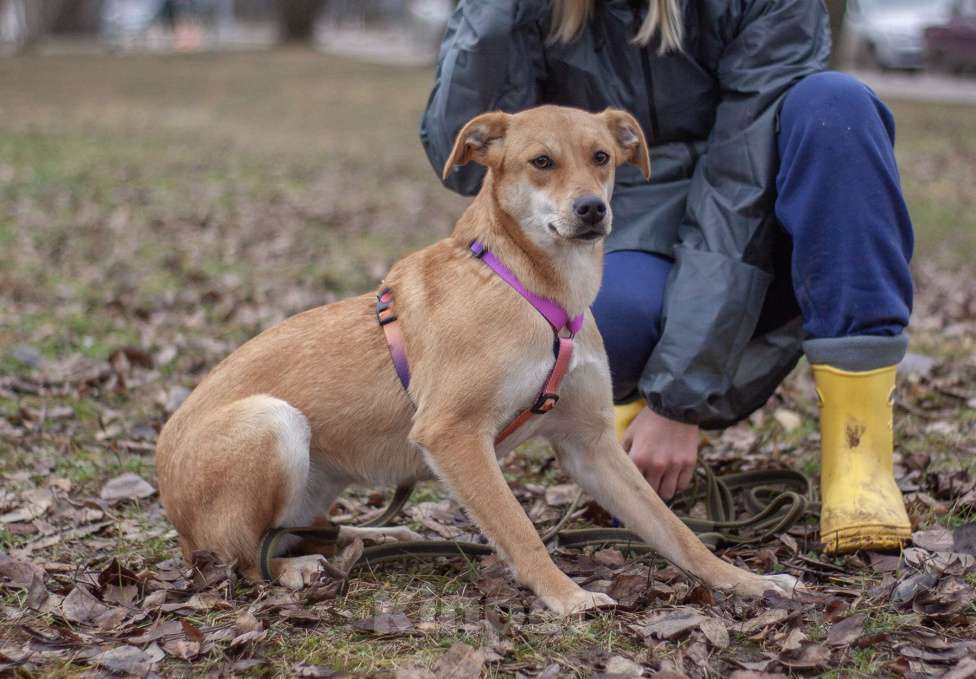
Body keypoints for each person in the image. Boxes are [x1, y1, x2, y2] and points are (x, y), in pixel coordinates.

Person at [419, 0, 914, 554]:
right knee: (604, 324)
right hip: (623, 223)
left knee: (836, 107)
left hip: (768, 225)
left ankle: (859, 452)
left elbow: (737, 189)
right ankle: (619, 411)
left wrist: (680, 401)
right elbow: (460, 164)